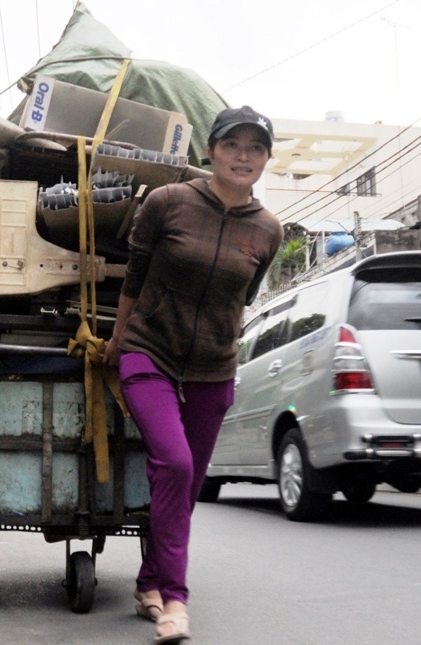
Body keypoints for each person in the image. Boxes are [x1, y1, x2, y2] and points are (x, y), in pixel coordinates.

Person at [103, 105, 283, 644]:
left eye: (256, 148)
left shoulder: (269, 230)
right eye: (233, 145)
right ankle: (175, 600)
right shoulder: (169, 202)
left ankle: (148, 582)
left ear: (267, 159)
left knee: (184, 483)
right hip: (147, 352)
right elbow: (133, 279)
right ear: (212, 150)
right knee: (176, 465)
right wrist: (116, 345)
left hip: (212, 367)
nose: (243, 156)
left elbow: (242, 299)